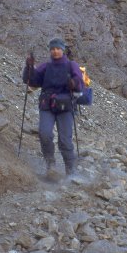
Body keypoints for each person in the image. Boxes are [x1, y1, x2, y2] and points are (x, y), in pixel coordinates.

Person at [23, 38, 83, 177]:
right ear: (50, 50)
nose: (55, 51)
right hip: (47, 105)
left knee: (65, 140)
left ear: (63, 50)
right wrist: (29, 67)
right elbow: (31, 81)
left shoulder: (71, 65)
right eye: (53, 49)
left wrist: (73, 83)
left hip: (65, 106)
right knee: (44, 134)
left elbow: (79, 83)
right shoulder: (46, 66)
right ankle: (50, 165)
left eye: (58, 48)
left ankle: (70, 170)